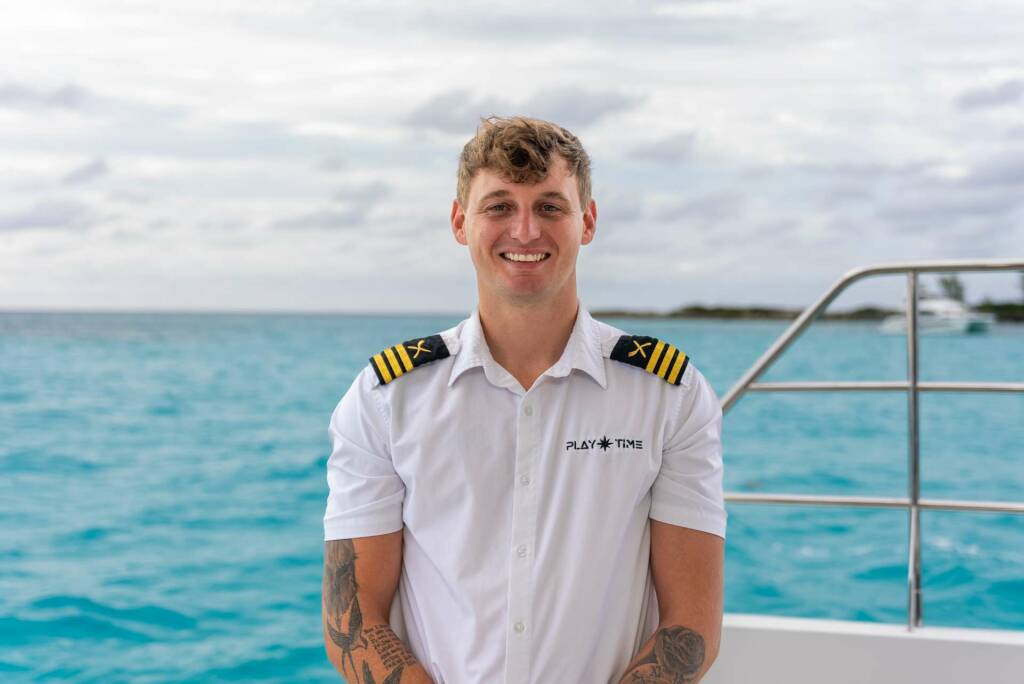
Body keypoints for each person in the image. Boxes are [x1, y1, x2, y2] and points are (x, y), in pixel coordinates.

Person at [322, 115, 726, 684]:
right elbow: (354, 614)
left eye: (550, 207)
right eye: (499, 207)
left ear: (587, 221)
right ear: (460, 222)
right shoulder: (386, 397)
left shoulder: (668, 394)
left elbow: (690, 624)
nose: (526, 231)